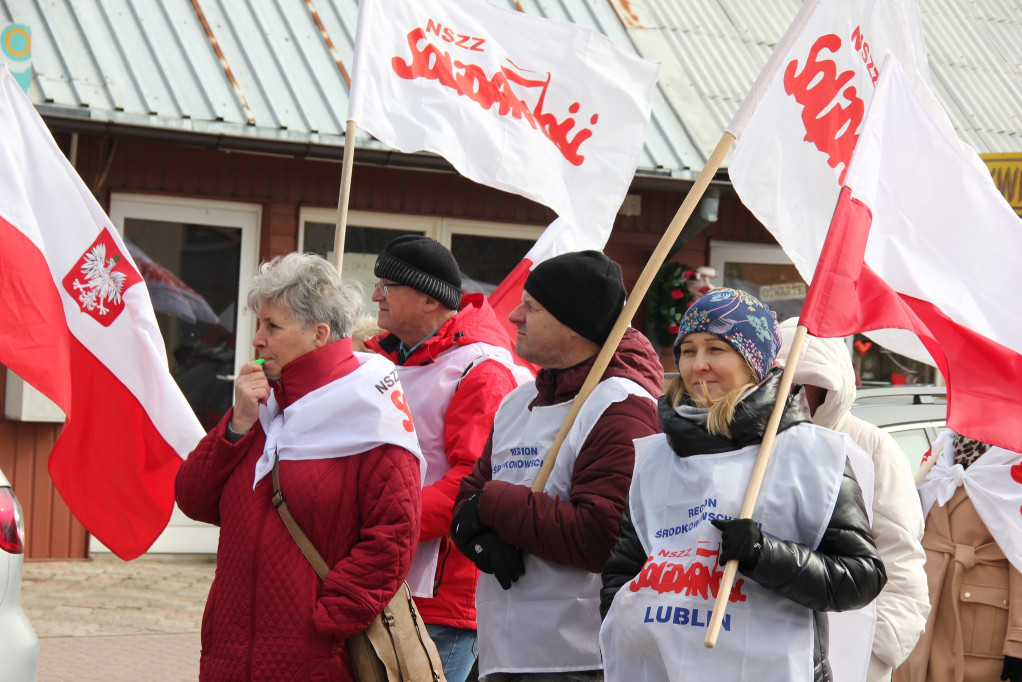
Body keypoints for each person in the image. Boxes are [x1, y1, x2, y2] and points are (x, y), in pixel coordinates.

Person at [599, 287, 887, 682]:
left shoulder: (813, 454)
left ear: (753, 363)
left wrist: (764, 554)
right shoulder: (656, 458)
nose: (698, 366)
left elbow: (862, 575)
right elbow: (624, 570)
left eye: (716, 349)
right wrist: (626, 628)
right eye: (688, 351)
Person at [175, 252, 424, 682]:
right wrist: (235, 428)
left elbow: (392, 539)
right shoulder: (261, 404)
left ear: (318, 335)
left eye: (272, 327)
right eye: (259, 326)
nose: (257, 340)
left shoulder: (371, 412)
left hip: (314, 660)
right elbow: (193, 499)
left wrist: (324, 623)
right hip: (229, 658)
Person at [451, 250, 663, 681]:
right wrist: (477, 539)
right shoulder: (517, 401)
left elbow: (601, 536)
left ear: (575, 324)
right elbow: (465, 500)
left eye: (533, 308)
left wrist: (492, 506)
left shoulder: (619, 406)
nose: (514, 316)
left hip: (578, 659)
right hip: (502, 651)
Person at [363, 235, 531, 682]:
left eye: (387, 285)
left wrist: (385, 523)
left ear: (427, 300)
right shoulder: (377, 358)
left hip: (441, 593)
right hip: (378, 571)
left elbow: (473, 479)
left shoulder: (481, 369)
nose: (375, 295)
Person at [776, 318, 930, 682]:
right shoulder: (749, 444)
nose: (791, 394)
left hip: (849, 649)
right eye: (779, 381)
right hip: (772, 644)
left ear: (831, 387)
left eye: (804, 384)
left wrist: (877, 648)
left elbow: (899, 552)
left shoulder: (872, 447)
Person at [895, 430, 1022, 682]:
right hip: (924, 607)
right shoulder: (943, 446)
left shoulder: (1016, 461)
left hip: (981, 619)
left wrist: (1019, 640)